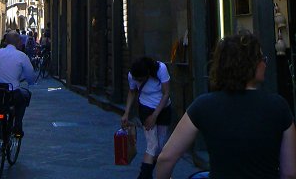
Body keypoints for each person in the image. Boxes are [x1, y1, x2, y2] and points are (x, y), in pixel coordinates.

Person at [156, 32, 296, 179]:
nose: (265, 63)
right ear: (251, 64)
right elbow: (289, 173)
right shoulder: (278, 106)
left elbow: (166, 157)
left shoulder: (203, 105)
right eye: (262, 58)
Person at [121, 56, 171, 179]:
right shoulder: (131, 75)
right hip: (145, 109)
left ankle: (159, 174)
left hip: (163, 109)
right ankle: (144, 176)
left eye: (140, 79)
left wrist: (155, 116)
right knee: (152, 145)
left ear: (148, 73)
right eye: (136, 79)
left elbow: (166, 93)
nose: (137, 81)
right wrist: (126, 113)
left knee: (160, 146)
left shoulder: (161, 69)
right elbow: (132, 91)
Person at [0, 31, 35, 137]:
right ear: (18, 42)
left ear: (5, 41)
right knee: (25, 95)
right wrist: (28, 81)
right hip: (12, 94)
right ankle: (17, 125)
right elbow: (31, 77)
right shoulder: (22, 56)